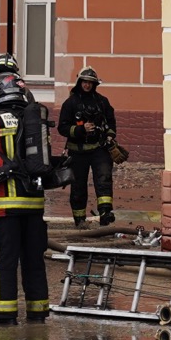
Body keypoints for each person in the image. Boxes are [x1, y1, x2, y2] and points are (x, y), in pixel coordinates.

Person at [0, 69, 54, 326]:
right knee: (34, 261)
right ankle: (38, 313)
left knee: (4, 261)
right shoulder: (35, 119)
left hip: (5, 204)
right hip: (35, 204)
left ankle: (5, 315)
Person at [59, 67, 120, 228]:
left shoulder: (102, 101)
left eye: (90, 83)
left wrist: (109, 136)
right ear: (80, 83)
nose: (87, 85)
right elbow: (62, 128)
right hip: (78, 151)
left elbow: (111, 122)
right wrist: (80, 129)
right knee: (78, 186)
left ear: (94, 84)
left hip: (99, 148)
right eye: (85, 82)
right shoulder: (70, 103)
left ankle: (106, 213)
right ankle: (79, 220)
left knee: (104, 179)